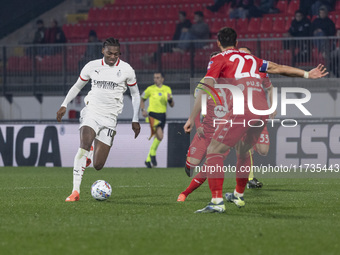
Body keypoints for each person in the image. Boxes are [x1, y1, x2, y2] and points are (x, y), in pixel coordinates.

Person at [183, 27, 328, 213]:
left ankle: (217, 202)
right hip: (261, 110)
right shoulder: (252, 59)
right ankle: (238, 194)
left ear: (218, 43)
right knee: (243, 151)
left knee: (213, 152)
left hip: (241, 108)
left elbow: (206, 88)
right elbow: (278, 68)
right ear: (237, 43)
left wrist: (191, 118)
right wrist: (307, 74)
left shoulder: (218, 58)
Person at [177, 47, 275, 202]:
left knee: (216, 161)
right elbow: (198, 104)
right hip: (207, 130)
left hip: (225, 129)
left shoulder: (235, 81)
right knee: (192, 165)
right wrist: (197, 124)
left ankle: (191, 194)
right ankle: (232, 194)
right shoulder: (205, 83)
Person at [56, 37, 141, 202]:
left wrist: (135, 119)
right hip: (92, 112)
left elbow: (135, 94)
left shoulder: (126, 69)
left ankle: (91, 154)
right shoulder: (92, 66)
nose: (112, 57)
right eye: (109, 53)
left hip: (110, 117)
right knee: (83, 146)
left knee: (98, 165)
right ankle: (75, 192)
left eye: (116, 54)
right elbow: (77, 86)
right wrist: (64, 104)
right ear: (103, 51)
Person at [140, 72, 174, 168]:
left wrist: (170, 99)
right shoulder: (150, 89)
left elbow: (172, 105)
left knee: (158, 137)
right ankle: (152, 154)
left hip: (162, 115)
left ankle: (148, 159)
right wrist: (143, 110)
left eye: (158, 77)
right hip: (152, 115)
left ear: (162, 79)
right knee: (160, 135)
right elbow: (142, 99)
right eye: (154, 77)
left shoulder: (167, 89)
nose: (156, 79)